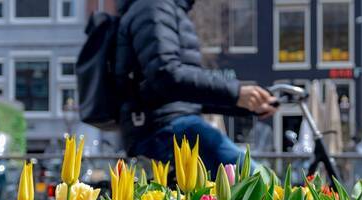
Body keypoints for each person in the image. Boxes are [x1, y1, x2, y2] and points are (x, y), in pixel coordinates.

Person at [116, 0, 277, 172]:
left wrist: (244, 105)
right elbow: (165, 75)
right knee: (256, 179)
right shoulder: (154, 7)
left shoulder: (165, 8)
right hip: (163, 129)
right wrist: (236, 93)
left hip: (168, 125)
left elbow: (181, 93)